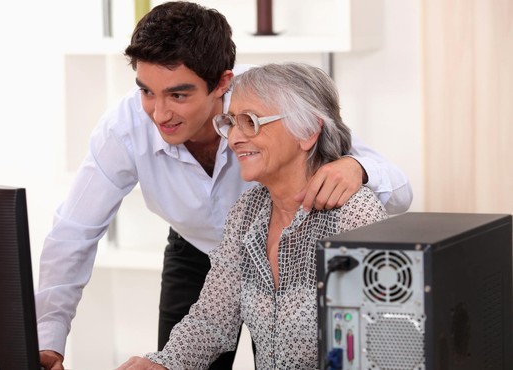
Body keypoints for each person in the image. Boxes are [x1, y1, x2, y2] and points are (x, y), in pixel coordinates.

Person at [36, 2, 412, 369]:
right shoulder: (127, 130)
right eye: (147, 91)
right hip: (203, 246)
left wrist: (357, 167)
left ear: (221, 84)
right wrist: (50, 342)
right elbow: (74, 233)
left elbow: (384, 346)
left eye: (178, 94)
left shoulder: (274, 98)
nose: (158, 113)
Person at [116, 61, 390, 370]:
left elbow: (379, 349)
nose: (233, 139)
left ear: (309, 131)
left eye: (250, 122)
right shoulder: (246, 213)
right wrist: (164, 363)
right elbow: (212, 320)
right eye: (231, 122)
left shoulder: (355, 218)